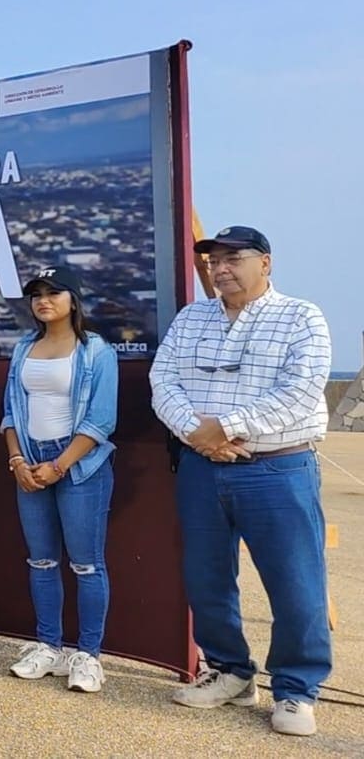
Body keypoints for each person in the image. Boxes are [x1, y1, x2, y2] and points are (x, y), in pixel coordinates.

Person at [151, 226, 331, 737]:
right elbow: (162, 380)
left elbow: (300, 391)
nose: (221, 268)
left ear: (266, 263)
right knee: (206, 578)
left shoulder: (301, 317)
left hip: (278, 467)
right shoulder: (191, 318)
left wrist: (226, 426)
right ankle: (230, 671)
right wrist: (196, 433)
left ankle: (296, 689)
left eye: (234, 258)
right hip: (201, 467)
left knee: (296, 582)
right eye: (214, 261)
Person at [0, 267, 118, 692]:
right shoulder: (23, 348)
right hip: (30, 462)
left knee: (86, 564)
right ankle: (48, 646)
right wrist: (17, 459)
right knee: (41, 561)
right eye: (36, 295)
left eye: (53, 293)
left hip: (79, 466)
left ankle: (87, 655)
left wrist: (60, 465)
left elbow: (101, 419)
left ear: (74, 299)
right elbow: (11, 412)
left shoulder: (96, 351)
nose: (43, 301)